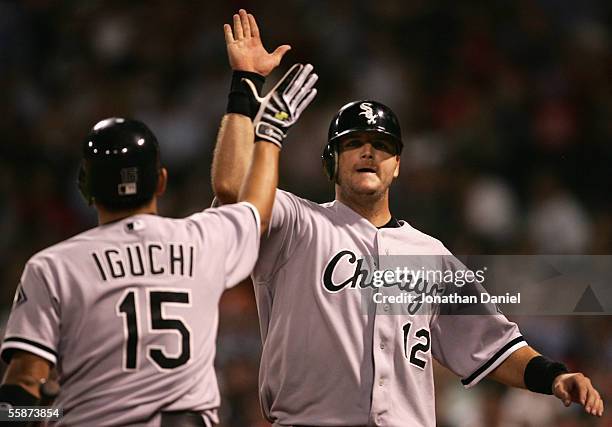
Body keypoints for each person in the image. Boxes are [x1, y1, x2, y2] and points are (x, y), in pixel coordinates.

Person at [212, 9, 605, 427]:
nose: (369, 152)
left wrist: (555, 377)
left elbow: (493, 346)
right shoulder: (297, 224)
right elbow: (232, 188)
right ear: (331, 163)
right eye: (354, 143)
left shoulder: (429, 254)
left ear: (397, 164)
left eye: (381, 144)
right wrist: (245, 86)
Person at [0, 113, 285, 426]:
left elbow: (20, 396)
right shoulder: (203, 239)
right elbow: (257, 207)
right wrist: (268, 132)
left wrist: (51, 413)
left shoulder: (53, 267)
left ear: (85, 186)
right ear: (160, 181)